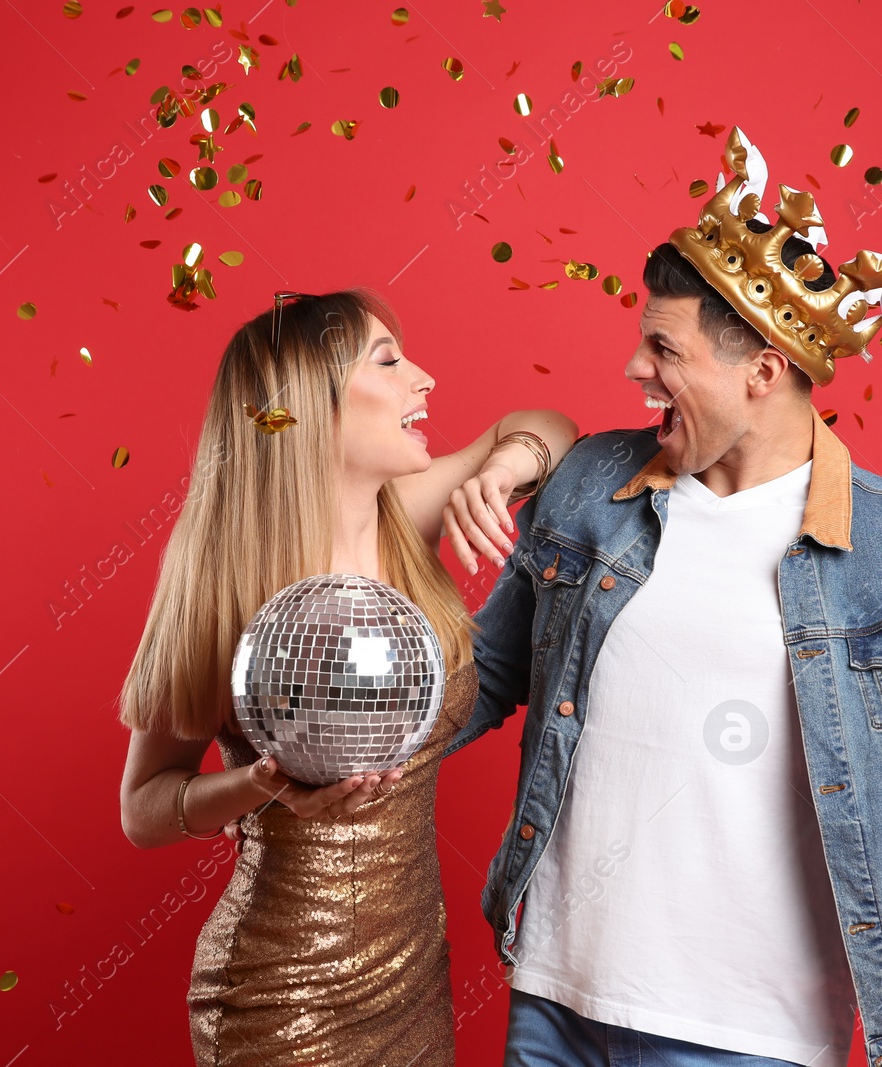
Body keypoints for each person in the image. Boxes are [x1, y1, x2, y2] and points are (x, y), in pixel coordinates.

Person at [448, 128, 882, 1067]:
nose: (634, 369)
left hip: (744, 1040)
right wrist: (330, 747)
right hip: (553, 1002)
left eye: (663, 348)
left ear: (763, 371)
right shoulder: (590, 484)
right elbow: (483, 674)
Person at [115, 288, 578, 1067]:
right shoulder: (223, 581)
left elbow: (551, 427)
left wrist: (502, 470)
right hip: (281, 997)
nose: (423, 379)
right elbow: (143, 808)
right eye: (388, 360)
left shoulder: (405, 515)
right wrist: (259, 784)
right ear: (307, 405)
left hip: (413, 978)